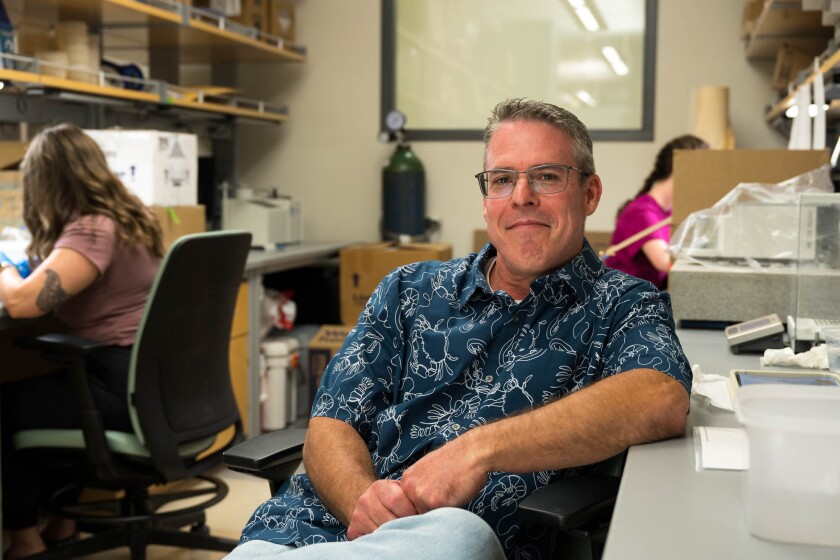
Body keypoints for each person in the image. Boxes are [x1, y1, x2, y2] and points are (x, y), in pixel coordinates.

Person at [225, 98, 692, 560]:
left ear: (590, 194)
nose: (521, 196)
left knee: (456, 534)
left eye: (547, 176)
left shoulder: (623, 305)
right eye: (502, 180)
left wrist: (477, 451)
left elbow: (660, 397)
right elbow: (331, 422)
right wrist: (363, 506)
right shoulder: (408, 290)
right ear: (487, 199)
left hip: (459, 541)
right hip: (310, 534)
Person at [0, 123, 164, 559]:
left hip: (118, 389)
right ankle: (62, 522)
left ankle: (24, 538)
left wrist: (2, 268)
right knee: (49, 387)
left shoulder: (92, 229)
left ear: (46, 182)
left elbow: (19, 304)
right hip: (151, 384)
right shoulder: (132, 217)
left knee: (9, 404)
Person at [604, 135, 708, 290]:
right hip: (621, 301)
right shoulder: (641, 212)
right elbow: (666, 262)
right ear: (682, 170)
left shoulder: (668, 213)